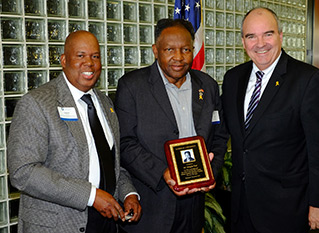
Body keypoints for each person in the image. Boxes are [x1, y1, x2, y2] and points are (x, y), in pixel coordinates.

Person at [7, 30, 141, 233]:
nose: (89, 62)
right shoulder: (37, 103)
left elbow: (111, 164)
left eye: (95, 56)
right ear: (63, 60)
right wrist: (90, 195)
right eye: (80, 55)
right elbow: (23, 172)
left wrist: (129, 194)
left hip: (105, 223)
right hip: (57, 225)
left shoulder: (105, 104)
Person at [221, 7, 319, 233]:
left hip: (287, 208)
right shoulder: (232, 78)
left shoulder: (308, 80)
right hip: (241, 207)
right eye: (251, 36)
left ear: (280, 36)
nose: (260, 43)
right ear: (243, 42)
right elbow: (223, 130)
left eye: (268, 34)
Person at [114, 18, 228, 233]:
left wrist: (211, 171)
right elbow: (125, 142)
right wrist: (162, 173)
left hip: (194, 204)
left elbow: (219, 136)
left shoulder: (208, 86)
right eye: (169, 49)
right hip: (151, 204)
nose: (178, 57)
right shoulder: (132, 86)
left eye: (185, 49)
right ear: (156, 50)